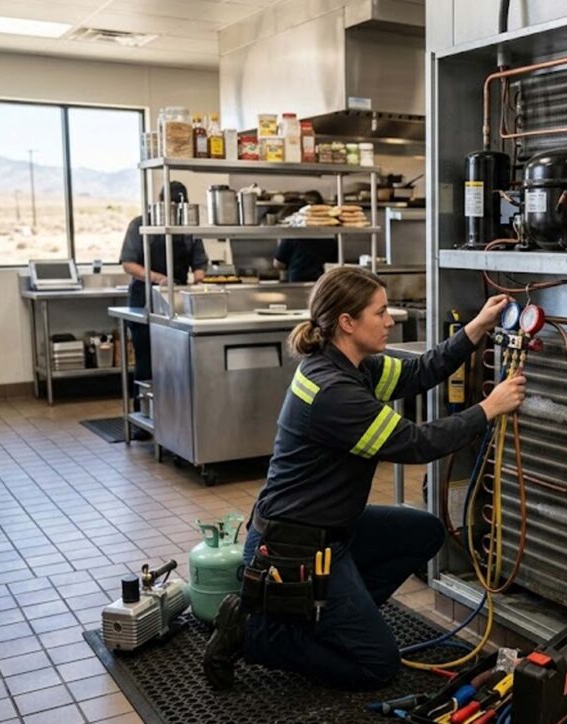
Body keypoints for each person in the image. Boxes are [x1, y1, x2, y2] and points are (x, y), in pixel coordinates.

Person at [203, 267, 526, 690]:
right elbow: (416, 443)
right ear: (347, 322)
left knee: (424, 532)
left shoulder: (351, 366)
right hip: (293, 546)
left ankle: (333, 620)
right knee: (376, 666)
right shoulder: (334, 391)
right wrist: (488, 408)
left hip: (332, 529)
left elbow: (418, 372)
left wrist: (476, 327)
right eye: (380, 312)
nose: (390, 320)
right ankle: (253, 635)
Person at [119, 181, 207, 392]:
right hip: (144, 300)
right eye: (170, 205)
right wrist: (159, 279)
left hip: (176, 303)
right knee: (146, 360)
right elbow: (128, 263)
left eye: (178, 206)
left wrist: (199, 280)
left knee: (176, 361)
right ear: (159, 202)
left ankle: (174, 407)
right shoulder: (140, 225)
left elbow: (199, 263)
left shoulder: (187, 227)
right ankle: (144, 408)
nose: (174, 211)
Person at [272, 191, 336, 282]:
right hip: (322, 282)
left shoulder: (295, 232)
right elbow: (334, 261)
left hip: (297, 282)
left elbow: (278, 264)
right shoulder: (329, 232)